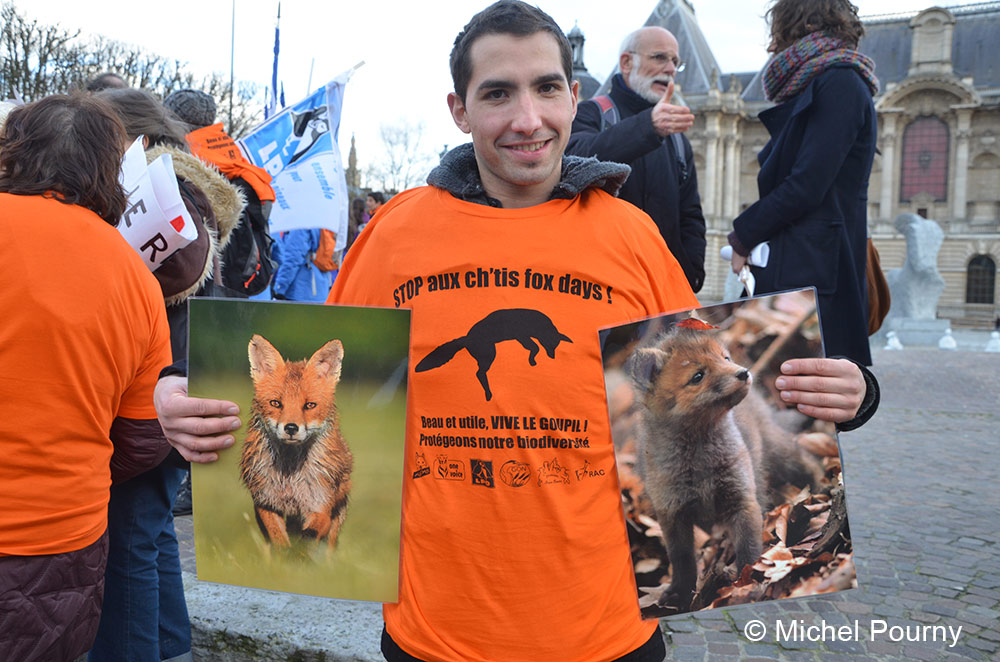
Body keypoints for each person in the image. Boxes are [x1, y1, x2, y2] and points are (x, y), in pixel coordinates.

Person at [153, 2, 876, 660]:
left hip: (605, 633)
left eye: (547, 88)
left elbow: (713, 375)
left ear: (573, 97)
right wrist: (182, 393)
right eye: (498, 93)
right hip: (437, 634)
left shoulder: (631, 237)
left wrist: (851, 393)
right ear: (459, 109)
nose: (528, 118)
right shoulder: (396, 234)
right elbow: (311, 377)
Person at [0, 94, 173, 662]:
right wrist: (74, 466)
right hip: (63, 543)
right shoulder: (136, 277)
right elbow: (144, 436)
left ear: (13, 151)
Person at [89, 88, 242, 662]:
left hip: (156, 388)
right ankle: (172, 646)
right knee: (150, 531)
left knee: (128, 535)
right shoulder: (185, 189)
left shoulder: (156, 191)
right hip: (181, 374)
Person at [727, 0, 879, 366]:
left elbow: (808, 184)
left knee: (798, 381)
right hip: (804, 261)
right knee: (775, 376)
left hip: (815, 267)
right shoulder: (824, 81)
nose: (773, 44)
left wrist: (742, 236)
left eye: (778, 31)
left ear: (800, 24)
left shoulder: (840, 82)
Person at [567, 26, 706, 293]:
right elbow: (575, 159)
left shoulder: (677, 139)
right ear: (627, 63)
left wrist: (690, 274)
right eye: (659, 57)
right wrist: (648, 127)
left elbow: (691, 215)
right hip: (600, 287)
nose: (670, 68)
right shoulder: (592, 113)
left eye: (675, 61)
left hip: (663, 289)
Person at [164, 88, 277, 299]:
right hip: (247, 285)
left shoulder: (182, 165)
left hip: (204, 290)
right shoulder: (235, 158)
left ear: (173, 122)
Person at [270, 228, 333, 302]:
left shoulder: (300, 226)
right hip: (321, 288)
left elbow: (293, 258)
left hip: (300, 291)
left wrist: (280, 287)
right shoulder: (323, 224)